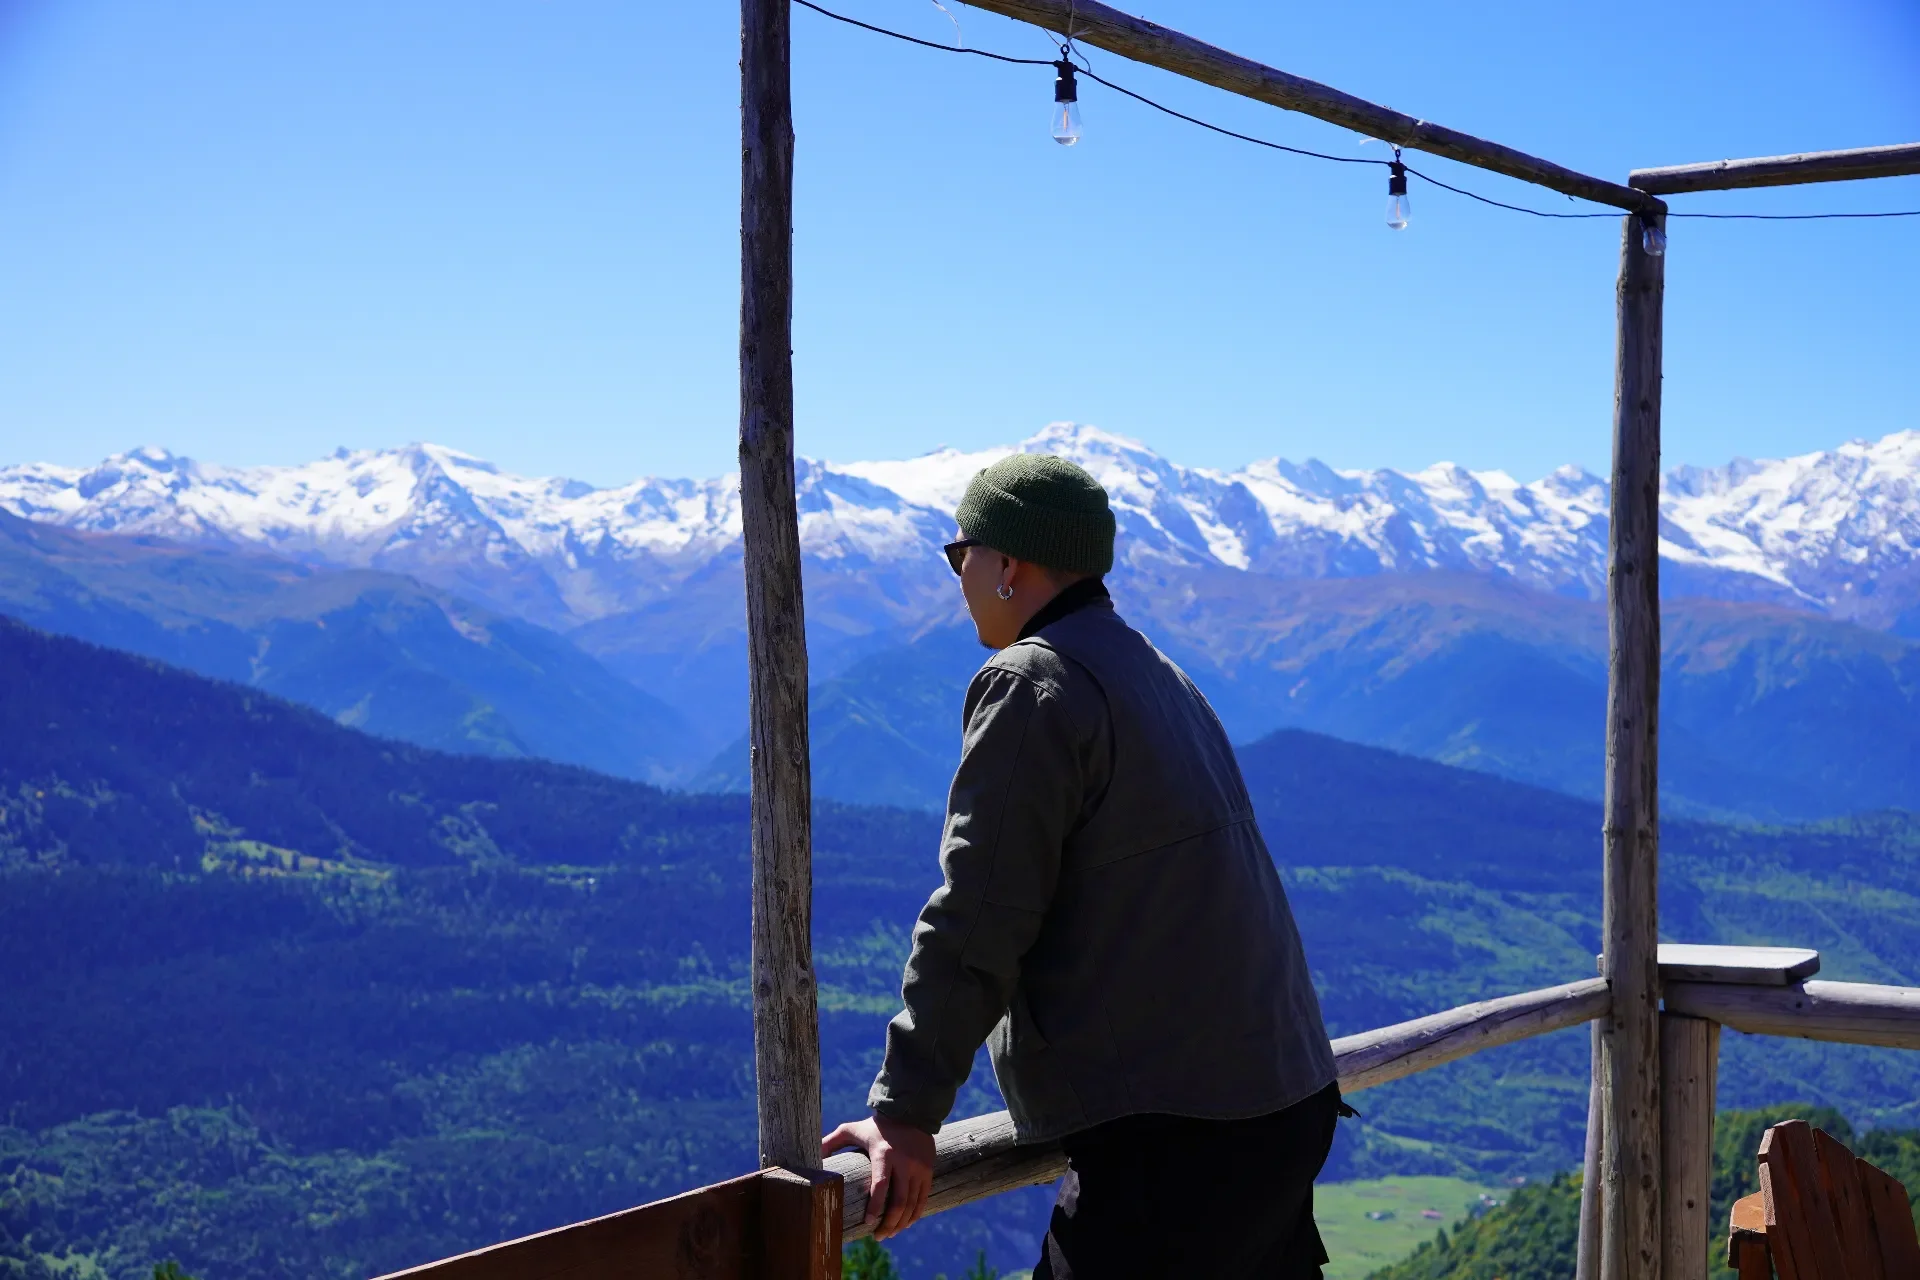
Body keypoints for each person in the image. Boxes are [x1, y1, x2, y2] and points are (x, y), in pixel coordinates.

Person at [822, 454, 1340, 1278]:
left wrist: (907, 1113)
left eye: (962, 556)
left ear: (1008, 566)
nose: (958, 579)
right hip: (1283, 1101)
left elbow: (980, 909)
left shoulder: (1034, 681)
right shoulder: (1154, 669)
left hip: (1177, 1140)